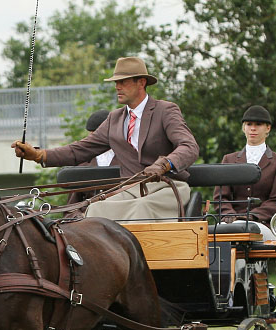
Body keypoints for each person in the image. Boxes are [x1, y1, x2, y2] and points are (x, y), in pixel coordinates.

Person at [12, 57, 200, 221]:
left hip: (166, 187)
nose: (117, 86)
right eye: (116, 82)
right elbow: (79, 150)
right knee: (95, 209)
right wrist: (38, 155)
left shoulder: (165, 110)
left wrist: (164, 164)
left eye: (123, 81)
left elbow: (189, 147)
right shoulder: (114, 119)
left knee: (141, 209)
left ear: (141, 82)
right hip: (130, 189)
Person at [213, 105, 276, 223]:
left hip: (264, 223)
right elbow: (221, 196)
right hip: (231, 222)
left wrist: (253, 216)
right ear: (244, 128)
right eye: (249, 124)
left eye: (258, 125)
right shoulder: (229, 159)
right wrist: (229, 215)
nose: (253, 128)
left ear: (268, 128)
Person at [67, 110, 115, 206]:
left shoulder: (129, 157)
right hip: (89, 217)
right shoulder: (82, 162)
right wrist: (81, 217)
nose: (92, 138)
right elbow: (72, 206)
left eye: (96, 134)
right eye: (91, 134)